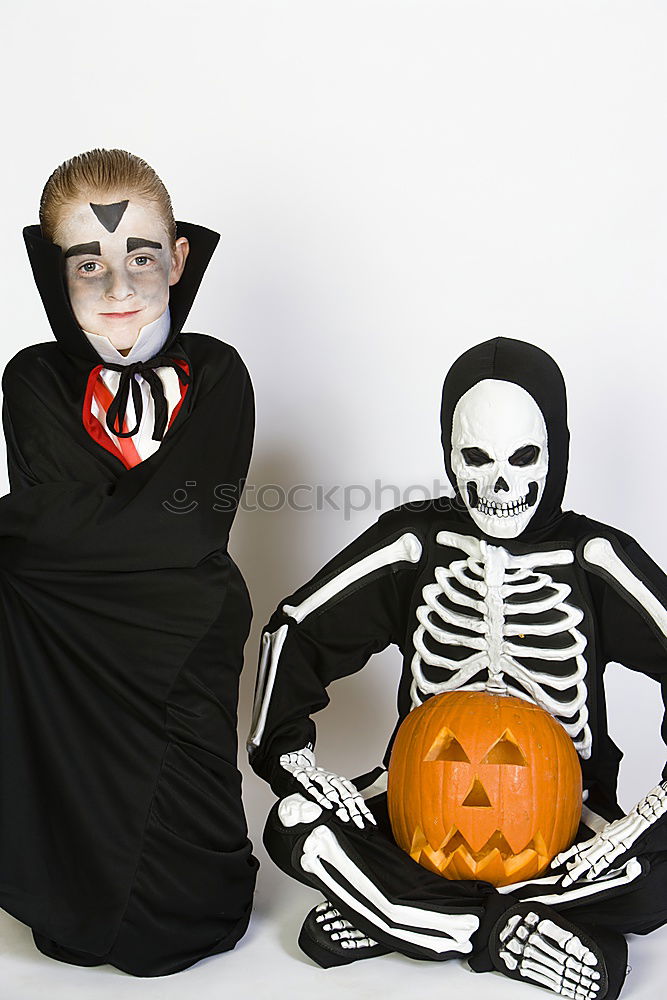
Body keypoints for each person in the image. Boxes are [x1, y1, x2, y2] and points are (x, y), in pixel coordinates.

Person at [248, 337, 667, 1000]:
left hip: (565, 812)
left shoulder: (594, 556)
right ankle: (499, 933)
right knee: (294, 821)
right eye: (475, 458)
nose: (499, 485)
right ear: (447, 453)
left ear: (554, 452)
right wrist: (288, 754)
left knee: (657, 877)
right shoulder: (415, 541)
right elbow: (295, 628)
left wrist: (655, 808)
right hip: (413, 799)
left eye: (523, 457)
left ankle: (396, 915)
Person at [0, 148, 258, 976]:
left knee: (184, 850)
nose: (118, 289)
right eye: (89, 264)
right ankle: (67, 893)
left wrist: (50, 541)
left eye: (139, 257)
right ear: (53, 272)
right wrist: (50, 541)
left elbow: (188, 532)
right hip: (66, 673)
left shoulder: (218, 373)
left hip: (185, 659)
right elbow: (51, 538)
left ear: (177, 259)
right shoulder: (33, 379)